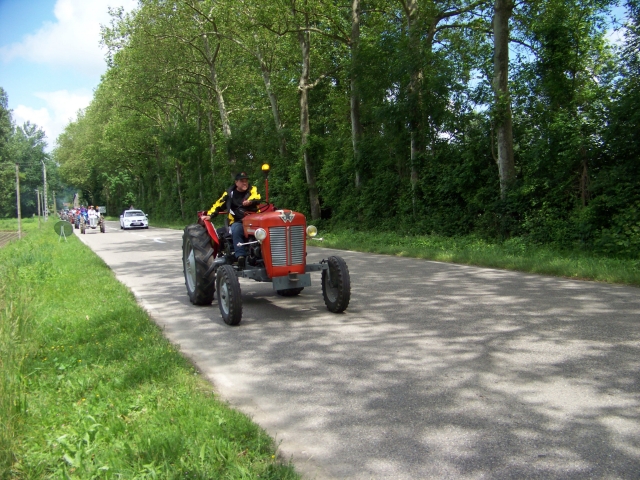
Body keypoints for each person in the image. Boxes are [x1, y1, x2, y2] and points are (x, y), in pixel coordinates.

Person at [203, 172, 261, 269]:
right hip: (238, 221)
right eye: (242, 181)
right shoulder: (229, 193)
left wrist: (250, 201)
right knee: (236, 229)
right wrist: (210, 215)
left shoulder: (252, 189)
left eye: (246, 181)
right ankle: (240, 256)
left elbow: (256, 197)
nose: (245, 183)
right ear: (236, 182)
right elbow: (218, 204)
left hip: (254, 220)